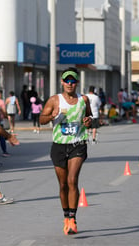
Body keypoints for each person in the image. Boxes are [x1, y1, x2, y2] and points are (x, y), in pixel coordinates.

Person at [39, 67, 93, 235]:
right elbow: (41, 120)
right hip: (59, 146)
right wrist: (51, 116)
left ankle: (73, 218)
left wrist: (89, 121)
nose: (70, 84)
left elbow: (91, 117)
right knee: (62, 185)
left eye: (73, 81)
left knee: (72, 180)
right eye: (67, 81)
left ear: (77, 83)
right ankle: (66, 218)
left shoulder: (83, 100)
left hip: (78, 144)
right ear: (62, 82)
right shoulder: (55, 100)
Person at [0, 89, 11, 157]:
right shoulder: (1, 101)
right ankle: (4, 151)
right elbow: (4, 111)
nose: (1, 95)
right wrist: (6, 116)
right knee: (2, 136)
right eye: (0, 94)